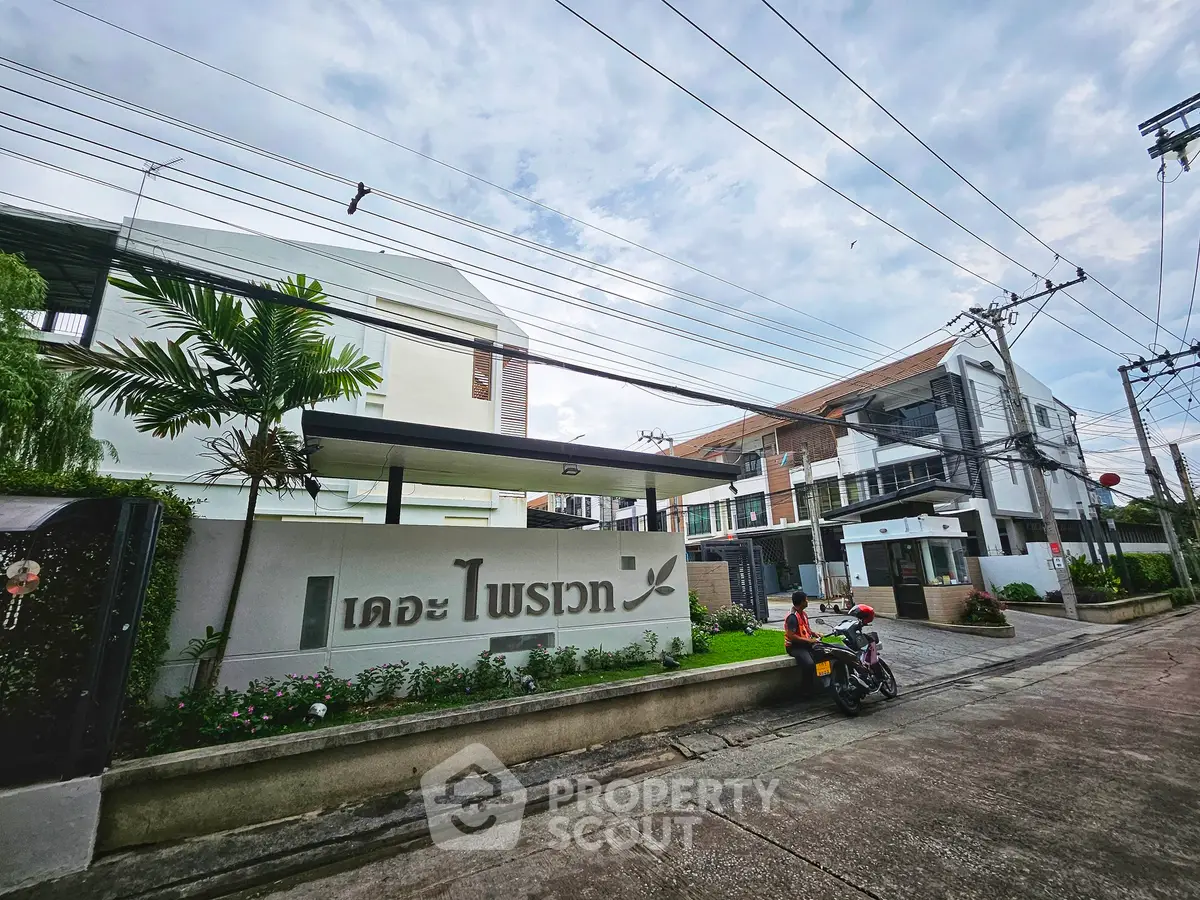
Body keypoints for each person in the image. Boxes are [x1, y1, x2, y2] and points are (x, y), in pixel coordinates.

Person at [784, 590, 821, 693]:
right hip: (795, 647)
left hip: (804, 644)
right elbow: (791, 636)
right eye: (806, 599)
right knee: (809, 664)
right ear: (802, 602)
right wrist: (808, 641)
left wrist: (813, 634)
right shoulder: (792, 617)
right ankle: (806, 690)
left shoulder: (803, 614)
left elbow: (805, 629)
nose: (807, 601)